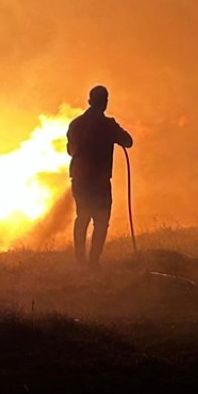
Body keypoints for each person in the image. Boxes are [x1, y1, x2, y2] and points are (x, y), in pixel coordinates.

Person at [66, 85, 133, 266]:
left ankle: (81, 261)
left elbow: (70, 151)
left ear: (89, 101)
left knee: (83, 217)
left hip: (80, 180)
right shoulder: (108, 125)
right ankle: (93, 262)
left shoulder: (76, 124)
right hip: (99, 181)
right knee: (101, 221)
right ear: (105, 103)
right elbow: (128, 141)